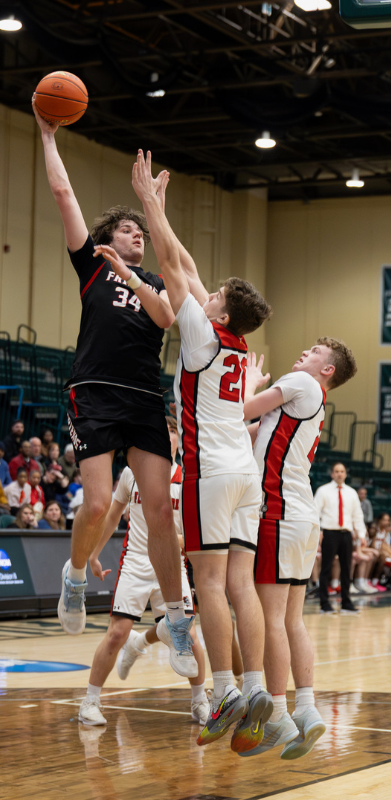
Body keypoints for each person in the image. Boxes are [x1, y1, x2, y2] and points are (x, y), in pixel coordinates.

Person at [33, 104, 194, 678]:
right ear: (107, 238)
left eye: (141, 232)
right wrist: (48, 137)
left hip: (145, 397)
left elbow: (167, 317)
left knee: (160, 512)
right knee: (99, 504)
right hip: (95, 391)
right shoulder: (91, 266)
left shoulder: (152, 280)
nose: (138, 235)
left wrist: (134, 270)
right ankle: (75, 578)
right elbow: (63, 194)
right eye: (129, 230)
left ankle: (177, 621)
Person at [130, 149, 274, 751]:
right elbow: (186, 264)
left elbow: (170, 264)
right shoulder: (234, 345)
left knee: (209, 584)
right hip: (246, 474)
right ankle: (256, 684)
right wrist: (162, 213)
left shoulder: (200, 334)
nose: (204, 290)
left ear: (220, 310)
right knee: (240, 584)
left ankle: (225, 691)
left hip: (209, 471)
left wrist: (148, 203)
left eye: (213, 293)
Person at [236, 338, 357, 757]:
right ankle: (306, 708)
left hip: (279, 512)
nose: (305, 352)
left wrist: (250, 381)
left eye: (315, 351)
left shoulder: (300, 383)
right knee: (292, 620)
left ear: (328, 369)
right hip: (302, 517)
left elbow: (241, 410)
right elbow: (251, 432)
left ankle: (277, 715)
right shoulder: (312, 400)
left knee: (270, 618)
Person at [79, 416, 209, 728]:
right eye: (161, 431)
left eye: (172, 432)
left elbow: (197, 532)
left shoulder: (189, 479)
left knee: (189, 636)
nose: (167, 436)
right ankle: (90, 701)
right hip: (136, 563)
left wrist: (177, 542)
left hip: (172, 564)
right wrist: (93, 554)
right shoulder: (131, 473)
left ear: (178, 441)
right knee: (117, 633)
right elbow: (112, 516)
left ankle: (199, 701)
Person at [314, 463, 367, 613]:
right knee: (326, 568)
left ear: (345, 474)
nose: (339, 474)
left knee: (346, 568)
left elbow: (357, 515)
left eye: (342, 471)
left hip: (346, 534)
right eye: (336, 471)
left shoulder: (351, 493)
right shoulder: (323, 491)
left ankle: (346, 603)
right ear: (332, 474)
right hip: (329, 532)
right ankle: (324, 603)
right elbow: (315, 512)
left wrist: (361, 534)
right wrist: (318, 531)